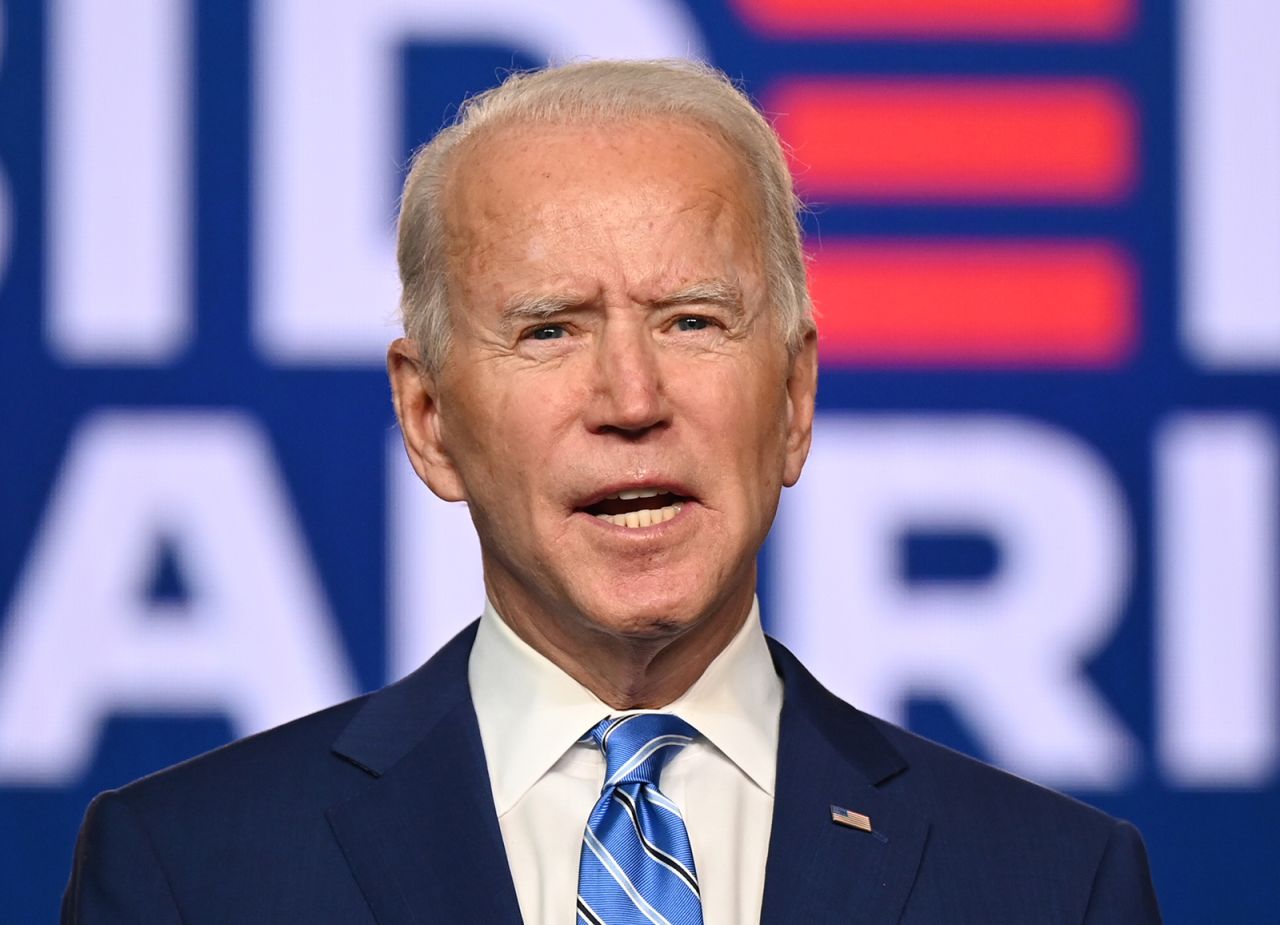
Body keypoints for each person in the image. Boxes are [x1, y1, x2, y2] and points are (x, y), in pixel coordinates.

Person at [62, 59, 1161, 924]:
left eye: (691, 319)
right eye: (549, 329)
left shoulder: (1051, 885)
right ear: (428, 419)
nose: (631, 397)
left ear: (790, 398)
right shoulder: (191, 872)